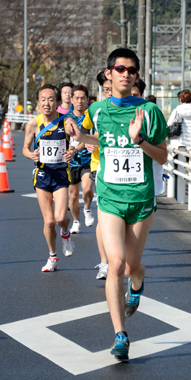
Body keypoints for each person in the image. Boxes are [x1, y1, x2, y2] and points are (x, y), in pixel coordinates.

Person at [66, 48, 168, 362]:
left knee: (132, 266)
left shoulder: (150, 111)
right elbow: (102, 140)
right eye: (120, 68)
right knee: (115, 264)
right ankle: (120, 335)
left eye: (131, 70)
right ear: (109, 74)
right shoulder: (97, 110)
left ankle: (138, 281)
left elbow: (163, 156)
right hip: (109, 197)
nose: (126, 74)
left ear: (136, 76)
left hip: (140, 200)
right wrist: (82, 136)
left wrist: (139, 141)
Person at [22, 84, 75, 272]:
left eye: (51, 99)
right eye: (43, 100)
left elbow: (79, 141)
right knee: (49, 221)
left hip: (61, 175)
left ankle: (66, 234)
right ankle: (52, 257)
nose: (47, 103)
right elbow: (25, 149)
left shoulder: (66, 121)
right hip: (42, 176)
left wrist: (72, 151)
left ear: (58, 102)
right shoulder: (33, 123)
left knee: (61, 217)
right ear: (38, 103)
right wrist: (32, 155)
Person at [83, 69, 112, 280]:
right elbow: (83, 132)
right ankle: (104, 262)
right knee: (103, 218)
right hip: (100, 167)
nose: (110, 92)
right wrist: (85, 143)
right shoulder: (96, 109)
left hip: (128, 176)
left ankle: (121, 261)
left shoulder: (136, 108)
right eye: (106, 89)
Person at [67, 84, 95, 234]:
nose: (80, 101)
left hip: (87, 160)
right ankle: (76, 221)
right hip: (71, 162)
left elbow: (90, 137)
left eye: (83, 98)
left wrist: (78, 148)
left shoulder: (92, 117)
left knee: (88, 188)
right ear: (71, 99)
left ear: (87, 100)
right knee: (72, 195)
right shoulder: (65, 119)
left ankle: (87, 209)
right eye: (76, 98)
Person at [167, 89, 191, 153]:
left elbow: (168, 125)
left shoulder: (176, 111)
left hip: (179, 145)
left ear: (180, 99)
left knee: (179, 162)